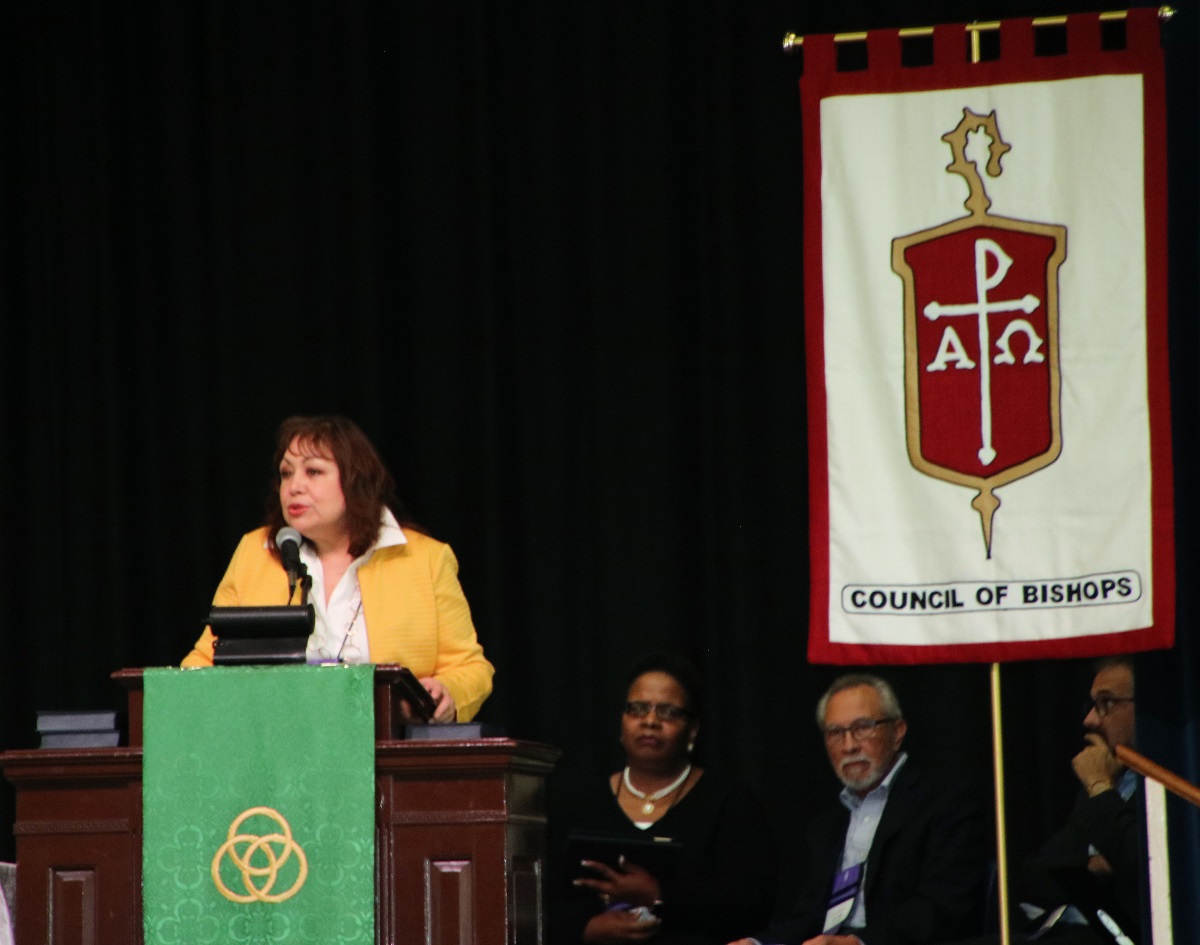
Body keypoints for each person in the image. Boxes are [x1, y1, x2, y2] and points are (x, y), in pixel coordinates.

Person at [182, 415, 494, 721]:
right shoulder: (256, 552)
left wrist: (447, 693)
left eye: (313, 471)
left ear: (354, 479)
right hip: (273, 738)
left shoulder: (425, 559)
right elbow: (205, 659)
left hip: (385, 744)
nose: (294, 486)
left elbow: (469, 667)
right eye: (286, 473)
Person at [730, 674, 987, 945]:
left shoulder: (946, 803)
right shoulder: (828, 823)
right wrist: (758, 943)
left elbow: (939, 910)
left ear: (898, 731)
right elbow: (808, 919)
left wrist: (859, 943)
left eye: (863, 727)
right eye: (835, 733)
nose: (849, 745)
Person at [549, 652, 777, 945]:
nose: (650, 721)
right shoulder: (580, 802)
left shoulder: (729, 802)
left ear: (692, 730)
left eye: (667, 712)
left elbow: (753, 903)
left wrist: (659, 895)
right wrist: (586, 929)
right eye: (638, 709)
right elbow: (542, 900)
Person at [1008, 656, 1141, 943]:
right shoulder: (1111, 781)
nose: (1090, 720)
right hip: (1061, 929)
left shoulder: (1169, 785)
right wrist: (1092, 864)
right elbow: (1032, 875)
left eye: (1106, 703)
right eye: (1092, 705)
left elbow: (1139, 866)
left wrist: (1099, 786)